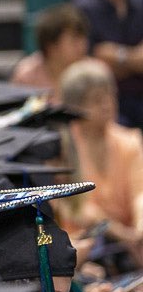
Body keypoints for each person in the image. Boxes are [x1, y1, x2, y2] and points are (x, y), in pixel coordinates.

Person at [59, 58, 143, 259]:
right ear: (75, 107)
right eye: (97, 100)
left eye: (110, 96)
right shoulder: (63, 147)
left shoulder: (130, 140)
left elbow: (140, 193)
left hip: (128, 244)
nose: (107, 104)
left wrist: (140, 228)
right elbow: (74, 208)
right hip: (81, 247)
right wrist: (122, 234)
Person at [71, 0, 143, 128]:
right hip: (102, 103)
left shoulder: (141, 1)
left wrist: (117, 56)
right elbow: (92, 61)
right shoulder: (82, 8)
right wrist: (132, 59)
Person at [10, 3, 90, 96]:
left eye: (83, 39)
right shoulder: (26, 76)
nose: (82, 46)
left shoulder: (95, 74)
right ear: (51, 47)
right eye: (74, 40)